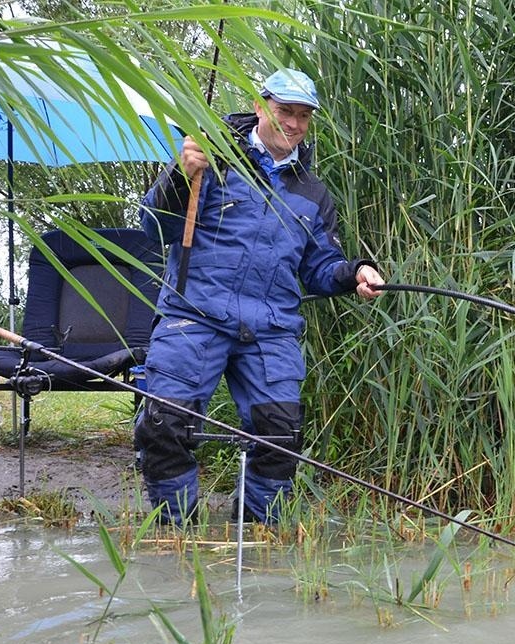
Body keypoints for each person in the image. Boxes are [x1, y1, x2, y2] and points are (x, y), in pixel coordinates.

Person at [136, 67, 383, 524]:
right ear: (259, 106)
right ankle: (176, 532)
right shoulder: (211, 159)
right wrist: (179, 175)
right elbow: (154, 228)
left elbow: (319, 269)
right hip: (194, 316)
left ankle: (258, 532)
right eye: (284, 111)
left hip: (271, 329)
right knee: (164, 426)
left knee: (281, 435)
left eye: (303, 116)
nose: (293, 124)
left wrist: (355, 274)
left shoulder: (312, 193)